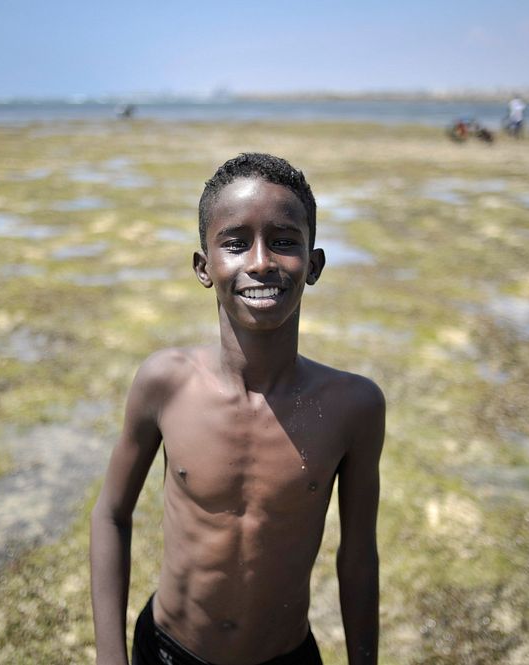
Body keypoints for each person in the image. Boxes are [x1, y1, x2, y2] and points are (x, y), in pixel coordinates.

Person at [90, 153, 385, 665]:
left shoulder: (353, 407)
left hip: (285, 655)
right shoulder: (165, 383)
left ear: (313, 265)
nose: (261, 261)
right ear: (204, 267)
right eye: (235, 242)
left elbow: (358, 557)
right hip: (168, 650)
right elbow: (111, 515)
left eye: (284, 241)